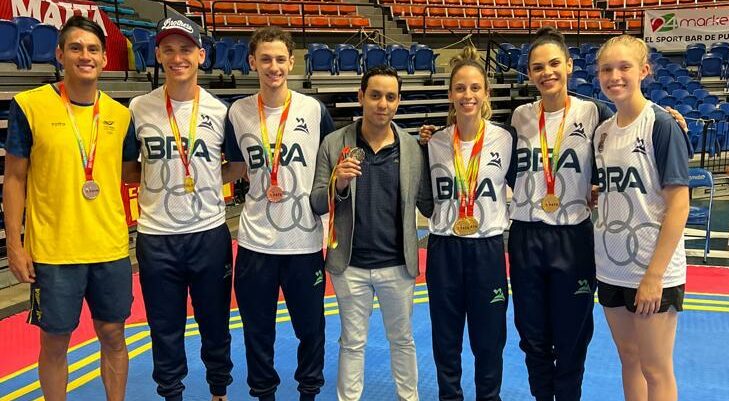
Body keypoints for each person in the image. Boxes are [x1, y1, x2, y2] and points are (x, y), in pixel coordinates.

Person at [3, 15, 133, 401]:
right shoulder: (30, 106)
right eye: (75, 48)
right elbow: (14, 179)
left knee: (113, 334)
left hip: (109, 247)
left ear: (104, 59)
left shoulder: (120, 115)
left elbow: (129, 174)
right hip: (54, 252)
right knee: (55, 341)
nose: (85, 55)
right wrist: (15, 244)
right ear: (60, 54)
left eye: (93, 49)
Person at [122, 17, 245, 401]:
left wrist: (206, 177)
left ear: (201, 55)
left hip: (208, 234)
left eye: (186, 49)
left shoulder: (221, 111)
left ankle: (219, 392)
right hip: (157, 238)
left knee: (215, 323)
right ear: (158, 54)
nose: (178, 57)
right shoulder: (138, 107)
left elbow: (237, 166)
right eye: (169, 50)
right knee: (164, 326)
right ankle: (171, 394)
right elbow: (128, 168)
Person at [310, 65, 433, 401]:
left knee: (403, 339)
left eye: (390, 97)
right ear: (361, 96)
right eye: (375, 95)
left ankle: (409, 398)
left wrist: (440, 155)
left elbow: (428, 205)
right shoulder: (335, 143)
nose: (383, 104)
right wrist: (340, 182)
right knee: (352, 342)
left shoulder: (411, 148)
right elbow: (317, 201)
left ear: (398, 102)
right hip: (350, 264)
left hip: (398, 264)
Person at [224, 26, 334, 401]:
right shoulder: (237, 113)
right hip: (256, 241)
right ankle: (264, 393)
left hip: (304, 240)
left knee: (311, 328)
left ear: (292, 62)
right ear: (252, 62)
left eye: (280, 59)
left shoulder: (314, 111)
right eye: (265, 59)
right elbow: (234, 168)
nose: (274, 67)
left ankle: (308, 392)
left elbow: (330, 166)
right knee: (257, 329)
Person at [505, 27, 614, 401]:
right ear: (530, 73)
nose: (546, 72)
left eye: (554, 63)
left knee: (571, 337)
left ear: (568, 65)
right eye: (538, 67)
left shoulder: (594, 112)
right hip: (525, 235)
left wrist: (668, 119)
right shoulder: (519, 116)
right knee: (532, 337)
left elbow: (632, 130)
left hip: (572, 237)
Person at [594, 35, 689, 401]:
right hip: (612, 267)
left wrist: (654, 276)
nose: (614, 76)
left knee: (656, 368)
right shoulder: (602, 132)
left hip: (653, 271)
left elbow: (679, 204)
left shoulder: (661, 124)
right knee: (629, 359)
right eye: (606, 69)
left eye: (624, 67)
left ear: (644, 71)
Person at [423, 46, 517, 401]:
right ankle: (450, 396)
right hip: (444, 248)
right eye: (460, 88)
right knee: (445, 337)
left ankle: (488, 397)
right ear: (450, 94)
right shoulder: (433, 143)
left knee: (489, 337)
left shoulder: (506, 139)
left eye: (475, 88)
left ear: (486, 93)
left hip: (487, 248)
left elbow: (533, 178)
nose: (468, 95)